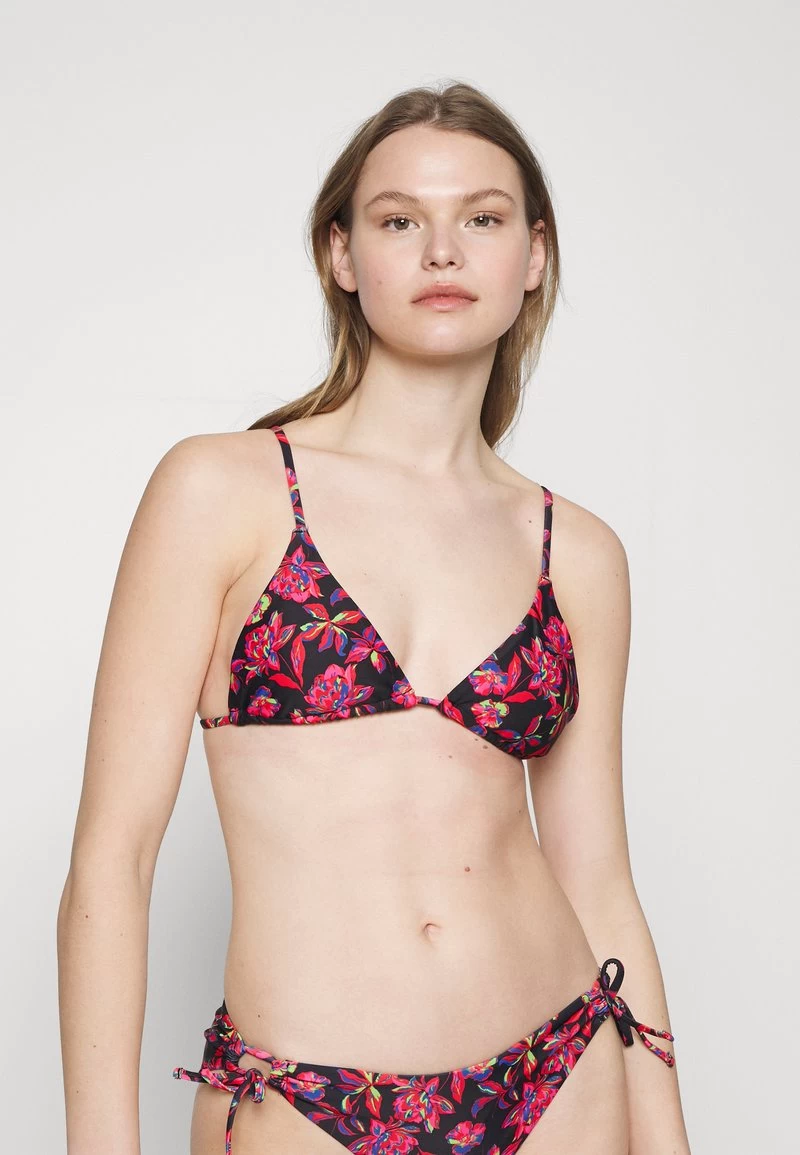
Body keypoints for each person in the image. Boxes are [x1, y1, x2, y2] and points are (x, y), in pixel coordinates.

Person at [58, 81, 691, 1154]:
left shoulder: (576, 552)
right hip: (302, 1100)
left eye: (481, 218)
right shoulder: (223, 492)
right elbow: (110, 864)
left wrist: (667, 1135)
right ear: (342, 255)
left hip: (562, 1077)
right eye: (400, 221)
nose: (442, 251)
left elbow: (599, 882)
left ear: (533, 255)